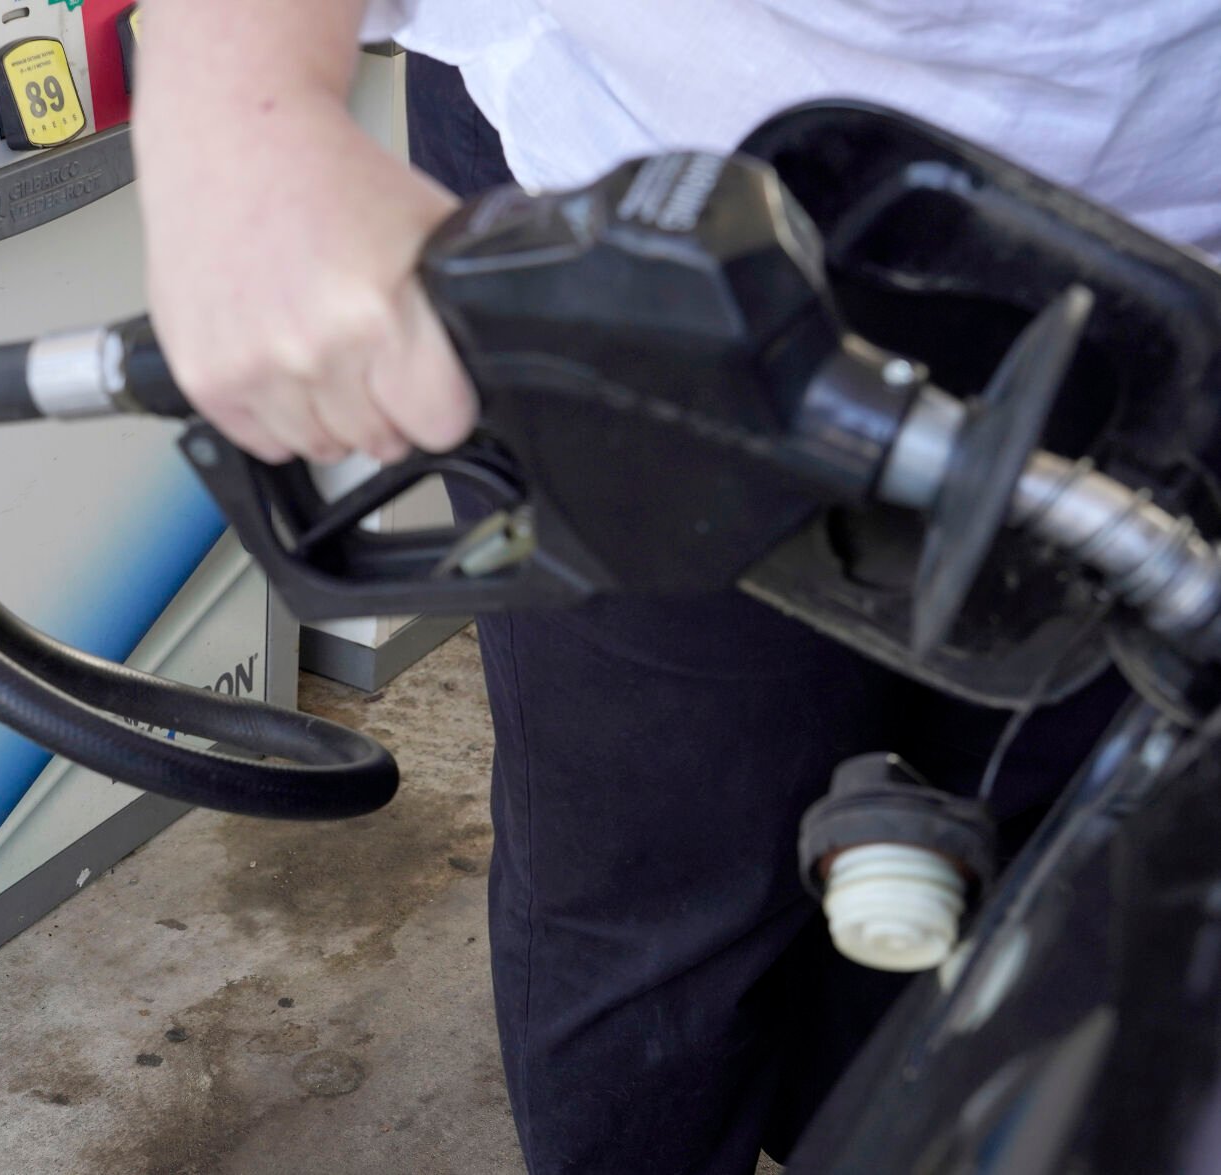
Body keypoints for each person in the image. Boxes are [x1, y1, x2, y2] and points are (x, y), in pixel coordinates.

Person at [132, 4, 1221, 1171]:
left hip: (1165, 262)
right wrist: (234, 108)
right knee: (652, 894)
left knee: (1054, 878)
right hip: (638, 210)